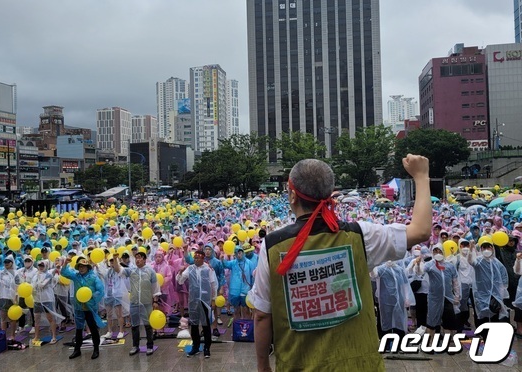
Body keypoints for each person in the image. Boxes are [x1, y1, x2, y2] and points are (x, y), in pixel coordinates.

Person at [252, 155, 432, 372]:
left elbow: (262, 315)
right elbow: (421, 231)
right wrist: (421, 177)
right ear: (330, 194)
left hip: (298, 364)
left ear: (292, 195)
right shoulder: (360, 235)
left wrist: (263, 366)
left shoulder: (272, 245)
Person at [112, 250, 160, 356]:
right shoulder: (131, 270)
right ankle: (135, 346)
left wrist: (155, 301)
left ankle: (150, 346)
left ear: (144, 259)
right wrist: (115, 259)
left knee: (148, 325)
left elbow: (155, 287)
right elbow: (118, 269)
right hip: (134, 302)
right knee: (135, 325)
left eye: (139, 258)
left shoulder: (150, 271)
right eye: (136, 258)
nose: (137, 260)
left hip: (146, 302)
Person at [61, 256, 105, 360]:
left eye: (83, 266)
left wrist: (92, 295)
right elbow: (64, 273)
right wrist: (65, 263)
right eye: (80, 266)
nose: (81, 268)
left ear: (88, 267)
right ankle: (77, 350)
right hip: (79, 307)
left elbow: (100, 290)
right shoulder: (76, 276)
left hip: (90, 308)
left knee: (93, 329)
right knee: (79, 329)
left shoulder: (94, 278)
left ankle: (96, 349)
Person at [176, 249, 218, 359]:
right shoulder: (190, 268)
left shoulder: (208, 269)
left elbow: (213, 285)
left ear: (203, 258)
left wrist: (213, 299)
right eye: (194, 258)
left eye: (198, 258)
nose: (195, 260)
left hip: (205, 301)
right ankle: (195, 347)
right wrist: (180, 272)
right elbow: (180, 281)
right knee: (194, 325)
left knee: (206, 325)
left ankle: (207, 348)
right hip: (193, 301)